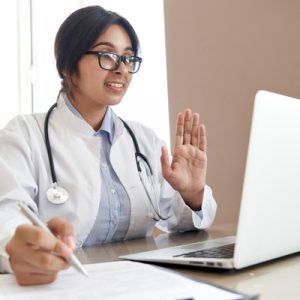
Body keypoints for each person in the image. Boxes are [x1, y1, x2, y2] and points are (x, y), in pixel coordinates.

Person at [0, 5, 217, 285]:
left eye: (128, 58)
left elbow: (183, 222)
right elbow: (7, 215)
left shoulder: (145, 140)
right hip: (62, 286)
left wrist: (191, 193)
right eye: (107, 55)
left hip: (136, 285)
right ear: (68, 66)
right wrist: (19, 246)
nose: (122, 69)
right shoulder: (24, 135)